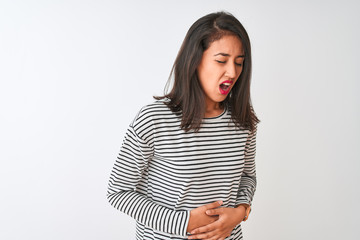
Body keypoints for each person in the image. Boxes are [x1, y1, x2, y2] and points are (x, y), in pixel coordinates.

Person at [106, 11, 259, 240]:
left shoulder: (242, 120)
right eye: (221, 61)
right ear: (195, 61)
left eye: (239, 63)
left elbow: (248, 177)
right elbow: (118, 192)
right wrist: (184, 222)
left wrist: (240, 212)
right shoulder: (154, 119)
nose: (233, 72)